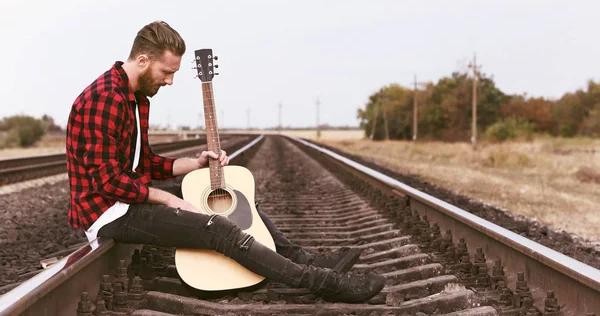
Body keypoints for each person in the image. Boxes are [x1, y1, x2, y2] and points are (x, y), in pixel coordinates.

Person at [66, 21, 385, 303]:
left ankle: (306, 260)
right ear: (143, 59)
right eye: (167, 72)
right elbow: (107, 183)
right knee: (217, 228)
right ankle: (322, 283)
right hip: (109, 213)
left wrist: (196, 163)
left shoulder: (136, 98)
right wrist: (169, 199)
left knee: (234, 194)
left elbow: (143, 163)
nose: (170, 82)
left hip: (127, 199)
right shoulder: (106, 98)